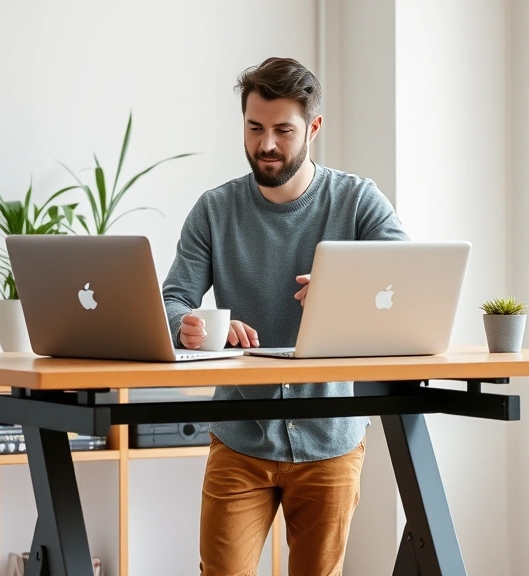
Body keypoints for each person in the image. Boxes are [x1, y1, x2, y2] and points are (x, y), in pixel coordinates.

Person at [161, 56, 410, 576]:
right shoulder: (214, 210)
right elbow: (172, 301)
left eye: (283, 130)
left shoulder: (358, 200)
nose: (266, 144)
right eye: (254, 128)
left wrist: (348, 290)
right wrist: (191, 326)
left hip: (331, 438)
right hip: (239, 437)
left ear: (313, 128)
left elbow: (405, 279)